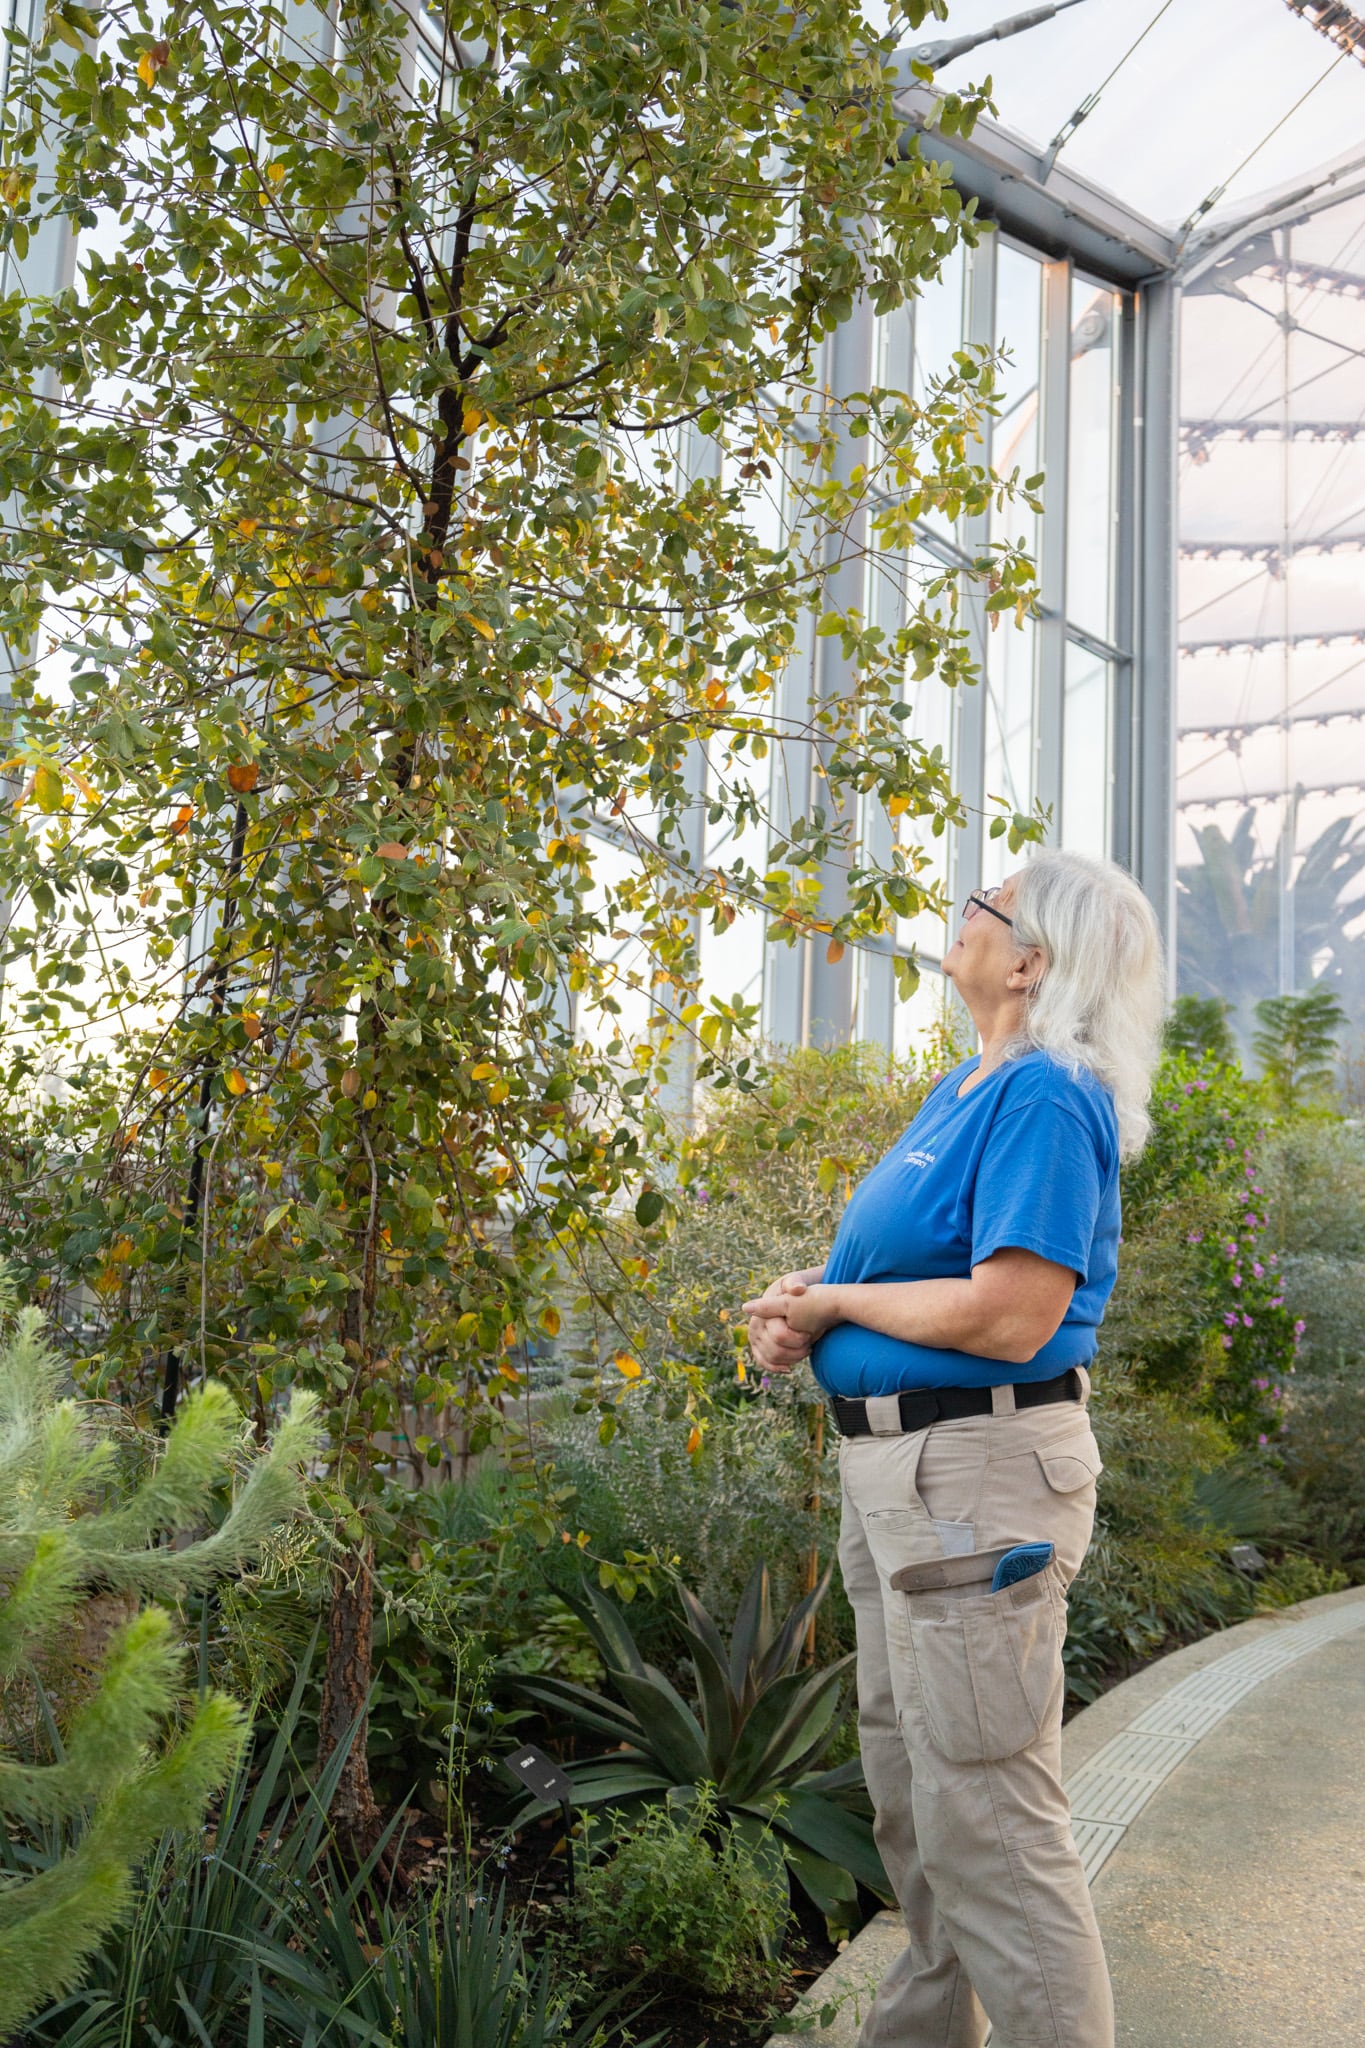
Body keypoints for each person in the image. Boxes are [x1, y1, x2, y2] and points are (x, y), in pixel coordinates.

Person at [744, 850, 1165, 2048]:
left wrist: (839, 1309)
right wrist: (814, 1300)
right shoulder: (965, 1087)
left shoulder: (1044, 1092)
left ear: (1032, 962)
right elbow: (911, 1279)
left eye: (987, 907)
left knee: (988, 1814)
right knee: (917, 1807)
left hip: (973, 1478)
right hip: (907, 1477)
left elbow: (1010, 1311)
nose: (963, 915)